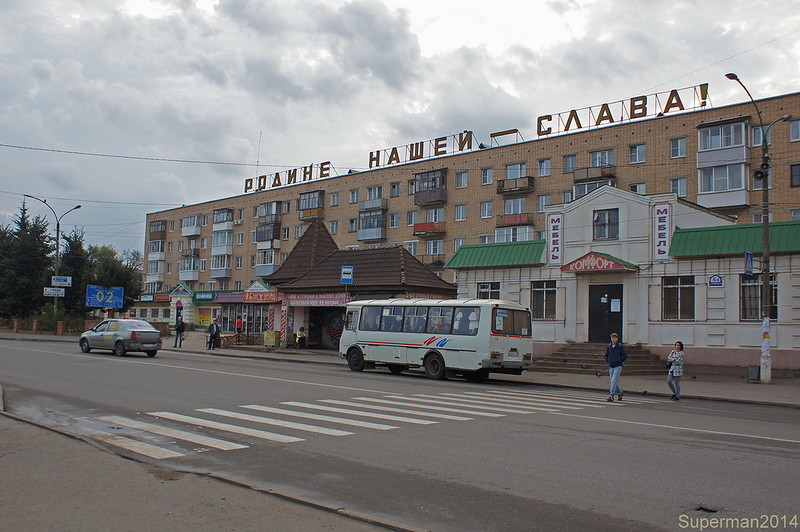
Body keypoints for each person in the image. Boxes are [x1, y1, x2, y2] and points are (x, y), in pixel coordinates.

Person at [604, 332, 628, 402]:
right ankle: (620, 393)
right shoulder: (609, 346)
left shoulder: (620, 346)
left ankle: (611, 396)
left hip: (618, 366)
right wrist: (608, 360)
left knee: (614, 381)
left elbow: (624, 356)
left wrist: (619, 361)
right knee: (613, 382)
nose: (613, 339)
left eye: (614, 338)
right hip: (611, 366)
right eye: (612, 338)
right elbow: (606, 355)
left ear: (617, 339)